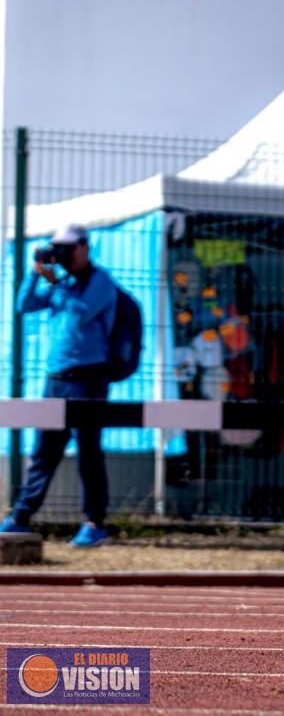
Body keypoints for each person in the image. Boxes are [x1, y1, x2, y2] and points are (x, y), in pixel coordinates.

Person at [0, 223, 116, 547]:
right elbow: (24, 305)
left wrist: (57, 282)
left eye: (67, 247)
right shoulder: (61, 283)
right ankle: (20, 517)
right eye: (57, 247)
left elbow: (80, 314)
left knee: (88, 453)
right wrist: (37, 273)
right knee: (44, 451)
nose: (61, 253)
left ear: (84, 247)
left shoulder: (100, 281)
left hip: (88, 379)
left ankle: (95, 523)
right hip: (56, 380)